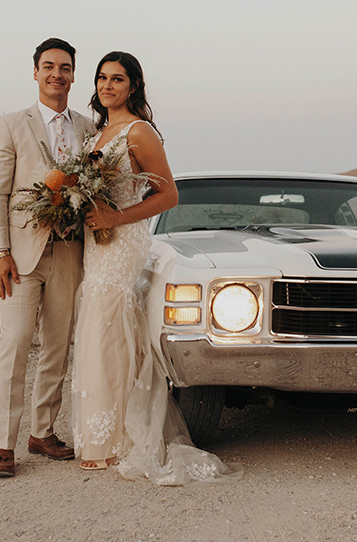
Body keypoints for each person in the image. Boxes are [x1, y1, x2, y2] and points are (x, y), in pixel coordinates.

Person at [71, 51, 239, 484]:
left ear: (133, 87)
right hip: (96, 244)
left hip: (123, 240)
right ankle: (98, 434)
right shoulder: (96, 133)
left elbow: (168, 196)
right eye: (102, 78)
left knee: (112, 331)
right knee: (97, 329)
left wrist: (114, 217)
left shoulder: (138, 131)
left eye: (118, 79)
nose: (108, 86)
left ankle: (118, 440)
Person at [0, 38, 96, 478]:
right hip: (20, 257)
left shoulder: (89, 129)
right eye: (48, 67)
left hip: (69, 251)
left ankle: (43, 430)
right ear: (35, 72)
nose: (57, 74)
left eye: (65, 68)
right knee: (12, 347)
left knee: (57, 346)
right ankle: (2, 445)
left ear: (73, 75)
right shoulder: (11, 124)